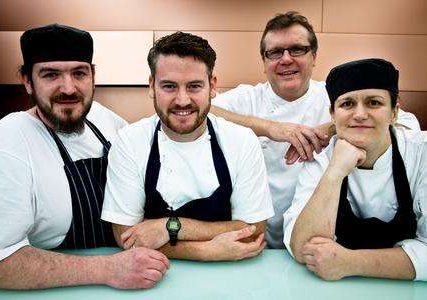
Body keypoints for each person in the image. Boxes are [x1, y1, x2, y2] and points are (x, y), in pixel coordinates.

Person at [0, 23, 169, 289]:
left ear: (92, 76)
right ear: (27, 81)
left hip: (135, 278)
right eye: (51, 75)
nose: (68, 88)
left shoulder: (105, 121)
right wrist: (108, 269)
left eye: (79, 73)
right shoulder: (7, 143)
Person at [211, 11, 420, 248]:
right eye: (275, 52)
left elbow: (405, 123)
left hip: (319, 231)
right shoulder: (248, 98)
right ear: (264, 62)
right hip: (256, 238)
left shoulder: (338, 97)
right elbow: (204, 111)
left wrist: (331, 129)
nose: (286, 59)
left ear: (314, 56)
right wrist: (271, 128)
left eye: (297, 49)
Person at [101, 31, 274, 261]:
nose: (182, 100)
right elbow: (126, 237)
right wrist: (204, 251)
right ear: (152, 86)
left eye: (194, 86)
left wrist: (170, 227)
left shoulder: (241, 141)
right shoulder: (130, 142)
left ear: (212, 86)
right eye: (169, 86)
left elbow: (253, 232)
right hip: (154, 277)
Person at [284, 58, 427, 281]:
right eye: (347, 104)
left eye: (374, 103)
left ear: (394, 113)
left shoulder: (421, 153)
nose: (359, 114)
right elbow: (304, 247)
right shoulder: (321, 159)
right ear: (332, 114)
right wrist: (335, 172)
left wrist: (351, 262)